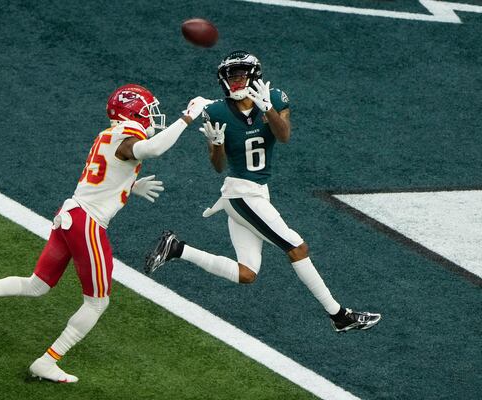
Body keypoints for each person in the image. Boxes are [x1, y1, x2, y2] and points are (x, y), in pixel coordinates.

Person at [0, 84, 212, 382]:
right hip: (87, 224)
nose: (151, 116)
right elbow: (153, 149)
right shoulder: (124, 136)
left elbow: (104, 177)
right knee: (97, 302)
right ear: (132, 112)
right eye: (146, 110)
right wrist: (187, 117)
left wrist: (130, 186)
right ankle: (47, 361)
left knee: (37, 285)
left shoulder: (107, 136)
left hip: (70, 214)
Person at [145, 51, 381, 332]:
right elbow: (218, 166)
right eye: (230, 77)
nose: (235, 82)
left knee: (247, 273)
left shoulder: (275, 98)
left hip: (256, 193)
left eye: (240, 75)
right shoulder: (216, 111)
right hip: (240, 194)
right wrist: (217, 144)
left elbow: (284, 136)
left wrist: (267, 108)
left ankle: (177, 248)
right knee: (296, 247)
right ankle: (339, 315)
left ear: (254, 76)